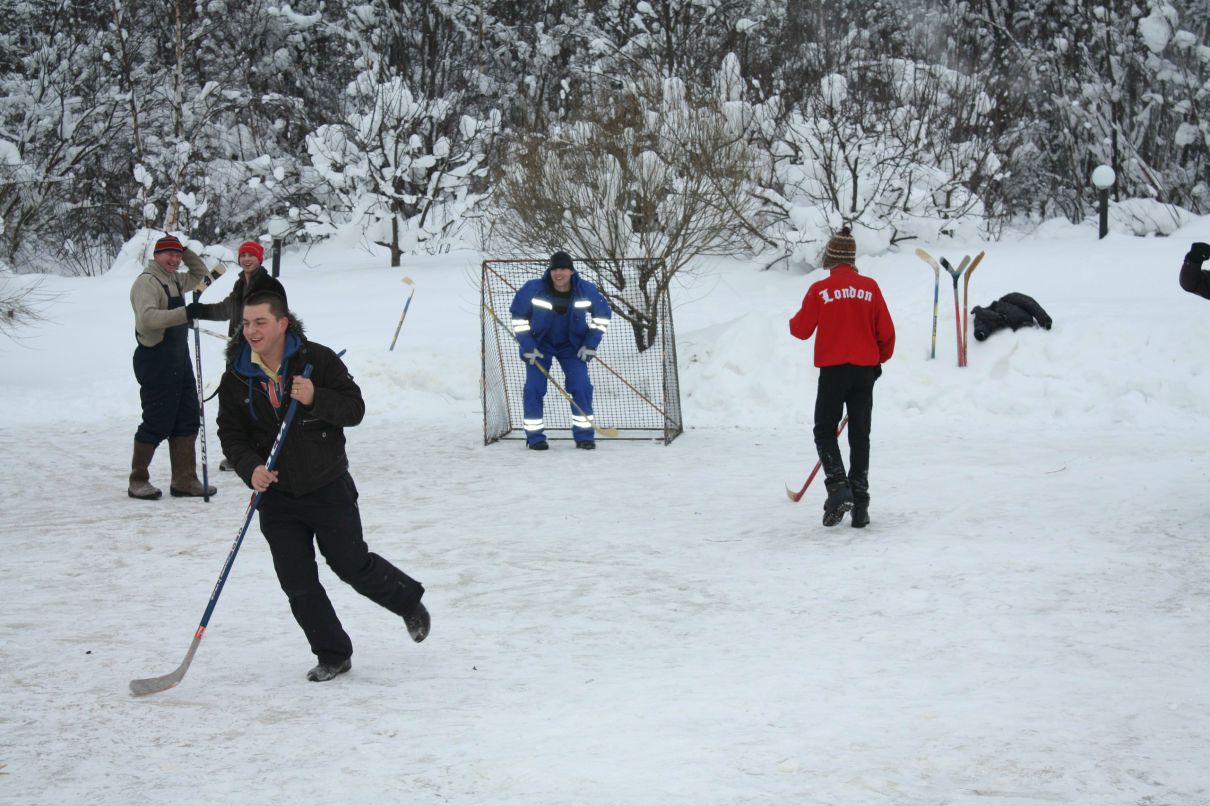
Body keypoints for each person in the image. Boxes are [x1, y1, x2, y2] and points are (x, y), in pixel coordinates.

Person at [216, 290, 430, 682]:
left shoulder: (317, 360)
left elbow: (354, 409)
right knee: (298, 583)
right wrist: (251, 469)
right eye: (246, 323)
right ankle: (332, 652)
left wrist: (316, 397)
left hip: (326, 484)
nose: (251, 331)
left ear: (282, 323)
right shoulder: (236, 373)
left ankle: (408, 602)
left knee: (351, 565)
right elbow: (230, 432)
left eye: (260, 322)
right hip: (276, 496)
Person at [789, 227, 895, 528]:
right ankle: (860, 504)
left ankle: (838, 487)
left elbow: (800, 330)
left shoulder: (820, 290)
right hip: (864, 372)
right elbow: (887, 334)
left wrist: (794, 318)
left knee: (824, 429)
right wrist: (877, 360)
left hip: (833, 373)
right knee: (860, 435)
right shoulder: (870, 288)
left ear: (831, 257)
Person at [127, 233, 217, 500]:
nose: (174, 260)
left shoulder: (175, 279)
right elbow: (148, 319)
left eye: (177, 256)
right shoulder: (147, 282)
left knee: (188, 417)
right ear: (156, 255)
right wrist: (186, 314)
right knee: (157, 420)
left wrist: (186, 248)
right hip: (156, 360)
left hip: (180, 359)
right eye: (169, 254)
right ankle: (138, 480)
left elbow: (201, 274)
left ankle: (184, 480)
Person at [184, 239, 285, 471]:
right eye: (243, 255)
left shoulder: (270, 285)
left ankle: (267, 450)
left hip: (262, 352)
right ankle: (240, 452)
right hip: (239, 351)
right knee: (237, 401)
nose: (247, 259)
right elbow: (228, 309)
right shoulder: (241, 284)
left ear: (260, 259)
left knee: (259, 400)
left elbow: (279, 318)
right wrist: (202, 311)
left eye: (252, 255)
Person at [509, 251, 612, 450]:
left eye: (563, 269)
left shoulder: (585, 290)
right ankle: (535, 437)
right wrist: (528, 345)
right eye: (555, 268)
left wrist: (590, 344)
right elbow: (518, 317)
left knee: (581, 386)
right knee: (533, 388)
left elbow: (603, 315)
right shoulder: (533, 289)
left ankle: (584, 436)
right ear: (550, 270)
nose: (559, 273)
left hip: (572, 346)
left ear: (571, 271)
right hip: (540, 346)